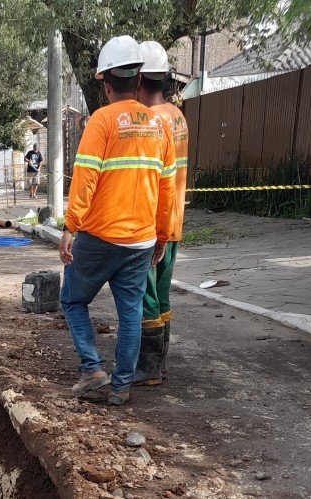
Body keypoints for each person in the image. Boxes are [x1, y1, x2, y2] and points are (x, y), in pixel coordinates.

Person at [58, 36, 176, 406]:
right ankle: (121, 387)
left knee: (73, 300)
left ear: (106, 83)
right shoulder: (160, 127)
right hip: (140, 242)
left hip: (99, 236)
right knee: (130, 315)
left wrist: (70, 226)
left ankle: (92, 368)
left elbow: (85, 178)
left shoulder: (102, 121)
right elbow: (167, 190)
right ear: (138, 80)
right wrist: (162, 236)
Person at [134, 41, 190, 385]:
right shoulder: (177, 117)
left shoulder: (150, 123)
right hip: (174, 222)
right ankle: (161, 363)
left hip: (153, 226)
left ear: (139, 80)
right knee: (163, 293)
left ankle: (149, 368)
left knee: (146, 295)